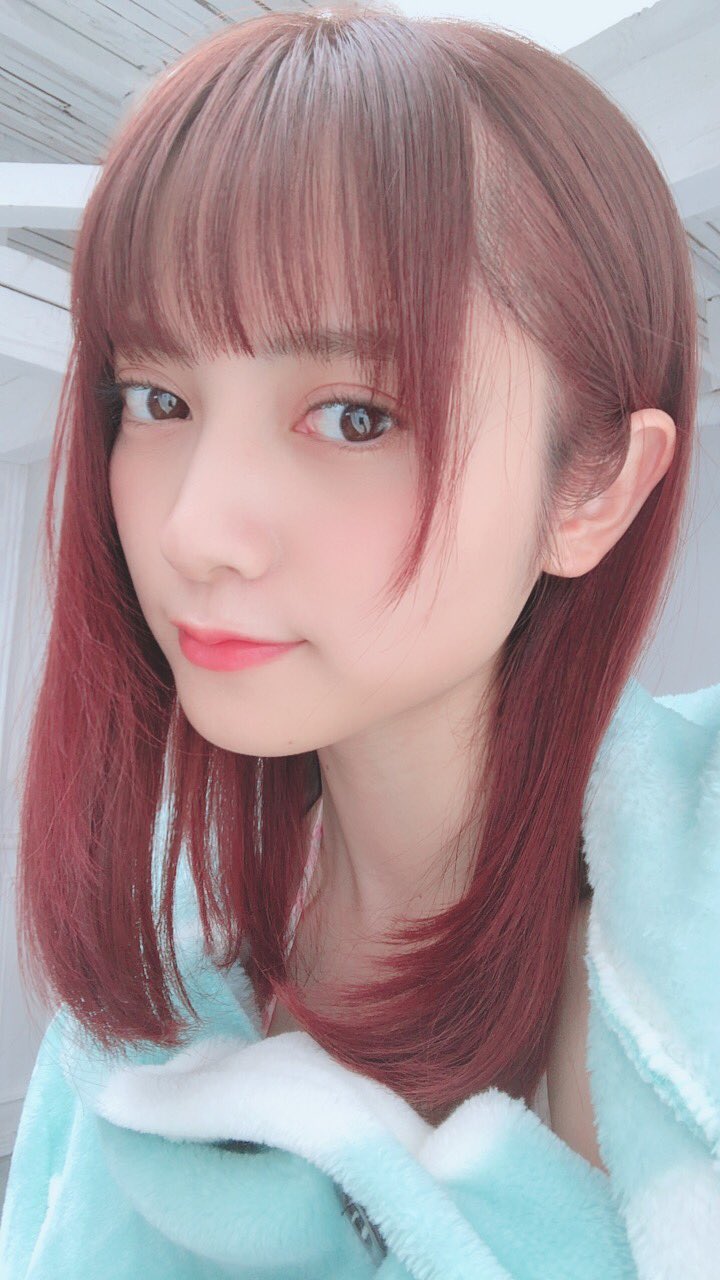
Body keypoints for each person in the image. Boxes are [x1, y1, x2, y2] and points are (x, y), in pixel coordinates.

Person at [1, 5, 717, 1276]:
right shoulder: (149, 1008)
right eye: (157, 398)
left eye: (352, 417)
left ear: (594, 487)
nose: (194, 529)